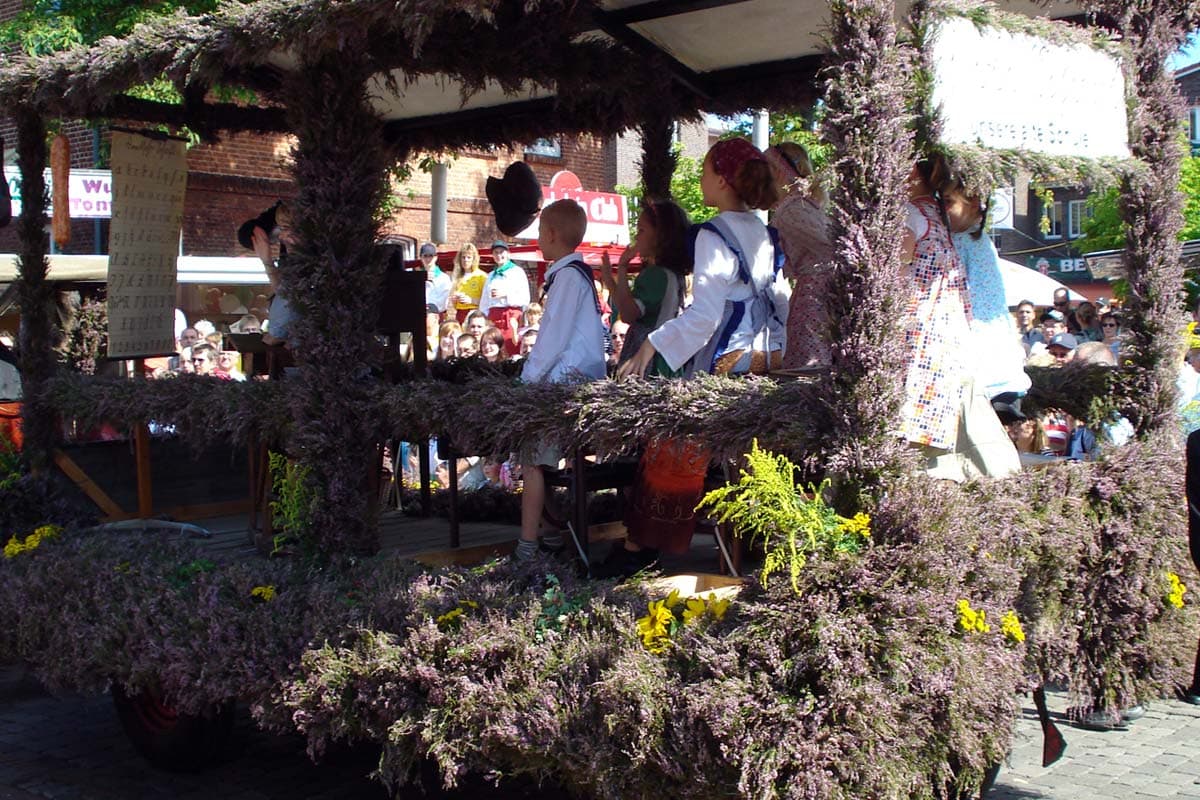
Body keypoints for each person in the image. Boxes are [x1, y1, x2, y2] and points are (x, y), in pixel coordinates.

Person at [611, 138, 786, 575]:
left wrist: (653, 344)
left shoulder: (713, 234)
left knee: (674, 438)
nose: (702, 178)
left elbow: (706, 315)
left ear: (723, 179)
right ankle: (765, 550)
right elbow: (781, 300)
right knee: (750, 457)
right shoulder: (766, 233)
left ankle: (643, 546)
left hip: (725, 357)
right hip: (765, 356)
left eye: (706, 170)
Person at [514, 200, 607, 563]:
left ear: (551, 235)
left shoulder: (567, 278)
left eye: (539, 232)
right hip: (572, 383)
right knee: (540, 460)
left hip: (564, 387)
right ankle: (551, 534)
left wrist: (526, 382)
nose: (538, 238)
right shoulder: (573, 275)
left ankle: (528, 544)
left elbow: (552, 339)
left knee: (533, 461)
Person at [897, 156, 976, 478]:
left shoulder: (910, 214)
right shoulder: (940, 218)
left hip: (918, 336)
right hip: (944, 340)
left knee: (899, 437)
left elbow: (896, 273)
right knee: (922, 449)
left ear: (913, 171)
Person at [599, 199, 692, 377]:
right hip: (667, 354)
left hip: (646, 356)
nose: (637, 237)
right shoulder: (674, 274)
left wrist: (623, 267)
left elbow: (628, 314)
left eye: (641, 230)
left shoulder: (654, 275)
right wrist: (611, 282)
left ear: (661, 236)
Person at [765, 141, 834, 369]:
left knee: (806, 368)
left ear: (776, 171)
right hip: (819, 295)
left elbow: (833, 247)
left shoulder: (791, 209)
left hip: (814, 299)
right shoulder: (807, 205)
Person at [479, 240, 531, 355]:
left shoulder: (517, 272)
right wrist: (486, 316)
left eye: (501, 252)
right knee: (493, 348)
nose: (499, 255)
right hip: (494, 317)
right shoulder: (491, 275)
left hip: (511, 317)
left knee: (510, 348)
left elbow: (525, 298)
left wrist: (506, 294)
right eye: (496, 253)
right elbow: (485, 300)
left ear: (508, 254)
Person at [450, 243, 487, 323]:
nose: (465, 260)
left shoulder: (481, 276)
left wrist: (471, 300)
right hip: (460, 314)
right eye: (463, 257)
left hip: (475, 314)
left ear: (474, 259)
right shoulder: (457, 277)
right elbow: (454, 305)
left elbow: (487, 300)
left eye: (469, 257)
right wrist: (454, 300)